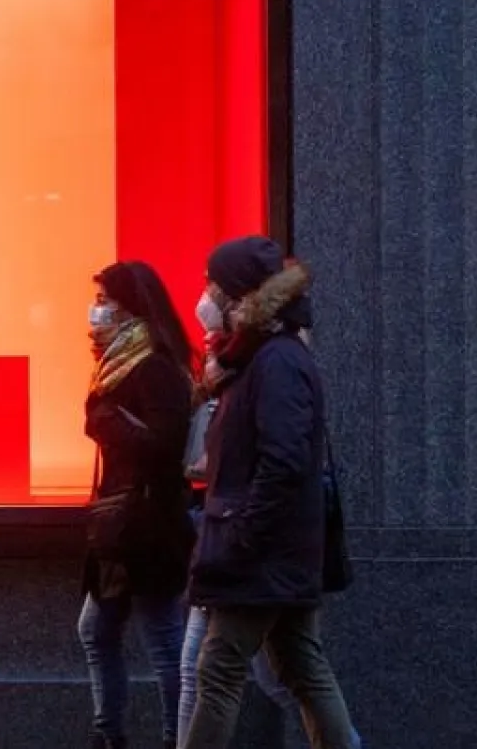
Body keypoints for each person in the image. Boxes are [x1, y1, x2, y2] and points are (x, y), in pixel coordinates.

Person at [180, 236, 357, 749]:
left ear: (238, 295)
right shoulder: (264, 357)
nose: (205, 297)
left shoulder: (275, 362)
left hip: (261, 553)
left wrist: (242, 539)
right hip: (278, 549)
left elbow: (282, 464)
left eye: (213, 286)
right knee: (302, 667)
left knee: (218, 671)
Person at [77, 261, 196, 749]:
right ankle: (110, 733)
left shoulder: (155, 366)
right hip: (120, 522)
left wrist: (103, 419)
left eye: (106, 300)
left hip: (147, 522)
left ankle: (172, 738)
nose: (97, 310)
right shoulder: (119, 363)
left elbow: (163, 445)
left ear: (132, 308)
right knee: (97, 629)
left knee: (163, 640)